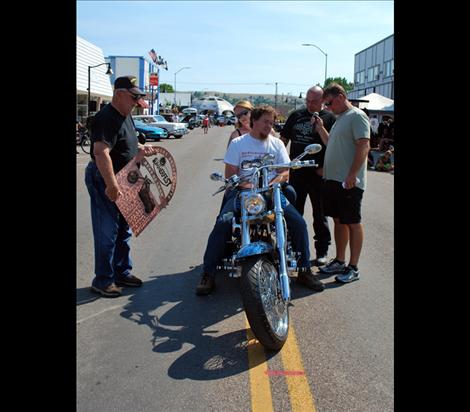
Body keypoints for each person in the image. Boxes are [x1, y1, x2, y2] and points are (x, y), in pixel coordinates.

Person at [196, 105, 324, 295]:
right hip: (243, 193)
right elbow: (231, 174)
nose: (268, 125)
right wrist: (245, 186)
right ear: (254, 120)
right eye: (265, 121)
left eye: (271, 122)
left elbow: (285, 172)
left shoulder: (277, 144)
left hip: (271, 192)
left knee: (298, 223)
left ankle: (304, 270)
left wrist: (272, 184)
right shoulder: (239, 143)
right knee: (223, 223)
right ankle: (208, 273)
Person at [84, 75, 160, 298]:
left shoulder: (126, 115)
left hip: (125, 177)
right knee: (107, 231)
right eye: (134, 96)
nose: (137, 102)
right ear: (119, 94)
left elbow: (125, 146)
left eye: (139, 97)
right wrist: (111, 185)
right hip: (105, 178)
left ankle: (121, 272)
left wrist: (139, 153)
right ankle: (103, 280)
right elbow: (101, 152)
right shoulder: (105, 117)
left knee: (123, 230)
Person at [312, 83, 370, 284]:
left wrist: (352, 174)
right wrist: (320, 129)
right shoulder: (339, 119)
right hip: (333, 180)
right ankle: (340, 260)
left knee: (352, 222)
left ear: (340, 96)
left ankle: (353, 267)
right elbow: (331, 144)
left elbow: (364, 145)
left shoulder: (356, 116)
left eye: (328, 103)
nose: (327, 108)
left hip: (348, 182)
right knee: (338, 220)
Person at [280, 86, 336, 266]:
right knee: (294, 213)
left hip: (318, 174)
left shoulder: (330, 118)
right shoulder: (296, 116)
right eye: (308, 100)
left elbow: (333, 146)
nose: (310, 104)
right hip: (296, 173)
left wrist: (325, 167)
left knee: (320, 215)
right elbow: (284, 140)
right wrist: (282, 163)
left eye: (314, 101)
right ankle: (294, 249)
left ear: (322, 100)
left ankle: (322, 250)